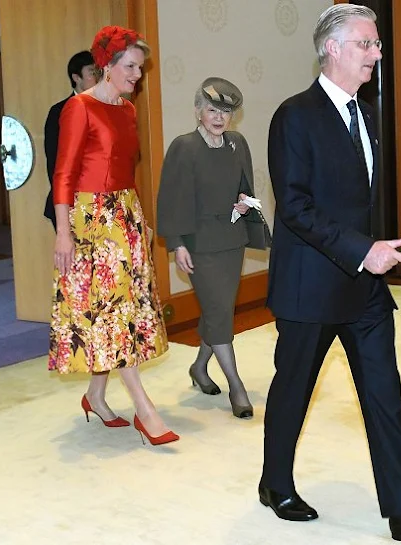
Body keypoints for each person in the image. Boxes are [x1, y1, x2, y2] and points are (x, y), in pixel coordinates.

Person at [258, 5, 401, 543]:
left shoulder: (367, 112)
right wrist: (362, 251)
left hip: (366, 288)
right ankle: (274, 482)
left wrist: (370, 257)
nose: (377, 54)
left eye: (378, 45)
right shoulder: (295, 115)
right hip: (311, 284)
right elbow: (295, 206)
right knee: (293, 391)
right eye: (366, 44)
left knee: (384, 394)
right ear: (333, 48)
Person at [49, 25, 178, 447]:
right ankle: (145, 409)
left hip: (125, 214)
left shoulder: (127, 109)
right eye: (130, 66)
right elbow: (64, 174)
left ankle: (95, 396)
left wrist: (140, 220)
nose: (137, 75)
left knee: (119, 307)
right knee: (113, 310)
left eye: (140, 68)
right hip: (90, 220)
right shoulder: (79, 108)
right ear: (107, 65)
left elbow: (127, 166)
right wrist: (63, 233)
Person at [157, 77, 258, 420]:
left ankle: (200, 368)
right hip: (198, 244)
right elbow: (170, 199)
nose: (219, 117)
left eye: (226, 112)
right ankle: (236, 386)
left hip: (232, 239)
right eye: (212, 109)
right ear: (198, 111)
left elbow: (245, 188)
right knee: (218, 311)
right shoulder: (183, 147)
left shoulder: (238, 144)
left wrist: (244, 203)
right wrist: (177, 244)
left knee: (219, 312)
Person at [43, 50, 97, 230]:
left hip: (104, 202)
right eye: (91, 72)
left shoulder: (110, 108)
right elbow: (54, 163)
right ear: (76, 77)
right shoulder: (58, 112)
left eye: (99, 71)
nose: (97, 76)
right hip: (71, 202)